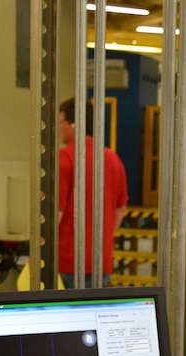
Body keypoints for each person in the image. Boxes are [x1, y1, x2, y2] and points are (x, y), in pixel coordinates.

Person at [57, 97, 128, 288]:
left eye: (60, 122)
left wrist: (36, 250)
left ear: (72, 125)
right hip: (100, 263)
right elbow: (120, 208)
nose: (58, 128)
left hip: (66, 264)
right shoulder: (113, 159)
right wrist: (101, 240)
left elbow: (56, 213)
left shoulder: (65, 158)